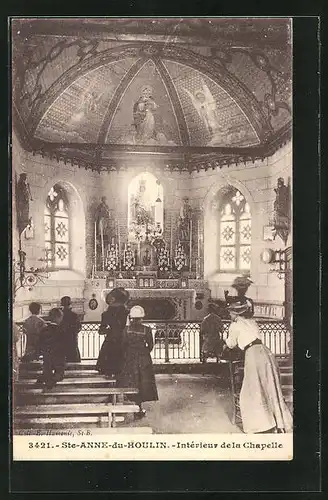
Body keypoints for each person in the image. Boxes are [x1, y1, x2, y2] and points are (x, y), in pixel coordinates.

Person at [225, 300, 293, 434]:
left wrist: (224, 339)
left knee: (252, 389)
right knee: (270, 386)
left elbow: (231, 344)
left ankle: (260, 424)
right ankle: (278, 422)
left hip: (253, 355)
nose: (230, 315)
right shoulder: (252, 322)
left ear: (234, 314)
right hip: (266, 352)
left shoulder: (234, 325)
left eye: (230, 313)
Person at [117, 305, 158, 418]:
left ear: (131, 317)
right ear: (141, 318)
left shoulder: (126, 330)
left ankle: (132, 404)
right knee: (142, 383)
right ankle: (139, 407)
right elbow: (150, 345)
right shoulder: (147, 329)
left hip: (130, 358)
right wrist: (143, 352)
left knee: (131, 381)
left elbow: (123, 345)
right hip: (143, 359)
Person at [96, 288, 129, 377]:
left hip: (110, 340)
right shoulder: (126, 312)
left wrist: (109, 330)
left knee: (108, 368)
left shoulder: (105, 314)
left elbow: (101, 330)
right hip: (123, 340)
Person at [36, 308, 66, 389]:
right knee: (60, 374)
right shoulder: (61, 330)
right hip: (59, 356)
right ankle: (50, 382)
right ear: (58, 318)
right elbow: (64, 344)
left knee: (47, 371)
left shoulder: (44, 329)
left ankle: (45, 380)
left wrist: (40, 352)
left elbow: (39, 343)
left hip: (47, 355)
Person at [60, 296, 82, 362]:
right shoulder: (74, 315)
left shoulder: (60, 314)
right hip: (72, 339)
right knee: (73, 358)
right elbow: (79, 327)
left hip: (62, 339)